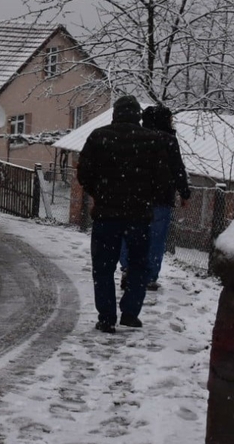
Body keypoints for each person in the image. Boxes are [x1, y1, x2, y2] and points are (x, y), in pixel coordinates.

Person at [76, 95, 170, 334]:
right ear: (138, 115)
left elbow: (84, 174)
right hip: (139, 216)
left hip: (106, 215)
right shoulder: (154, 141)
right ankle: (130, 312)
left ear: (115, 113)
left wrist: (99, 192)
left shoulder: (98, 137)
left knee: (103, 268)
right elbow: (162, 181)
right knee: (139, 265)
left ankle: (106, 317)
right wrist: (145, 197)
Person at [120, 105, 191, 291]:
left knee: (130, 234)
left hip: (134, 197)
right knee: (155, 239)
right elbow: (177, 168)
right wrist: (184, 192)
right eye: (169, 119)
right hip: (161, 198)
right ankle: (149, 276)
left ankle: (128, 268)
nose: (171, 122)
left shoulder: (136, 136)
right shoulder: (168, 140)